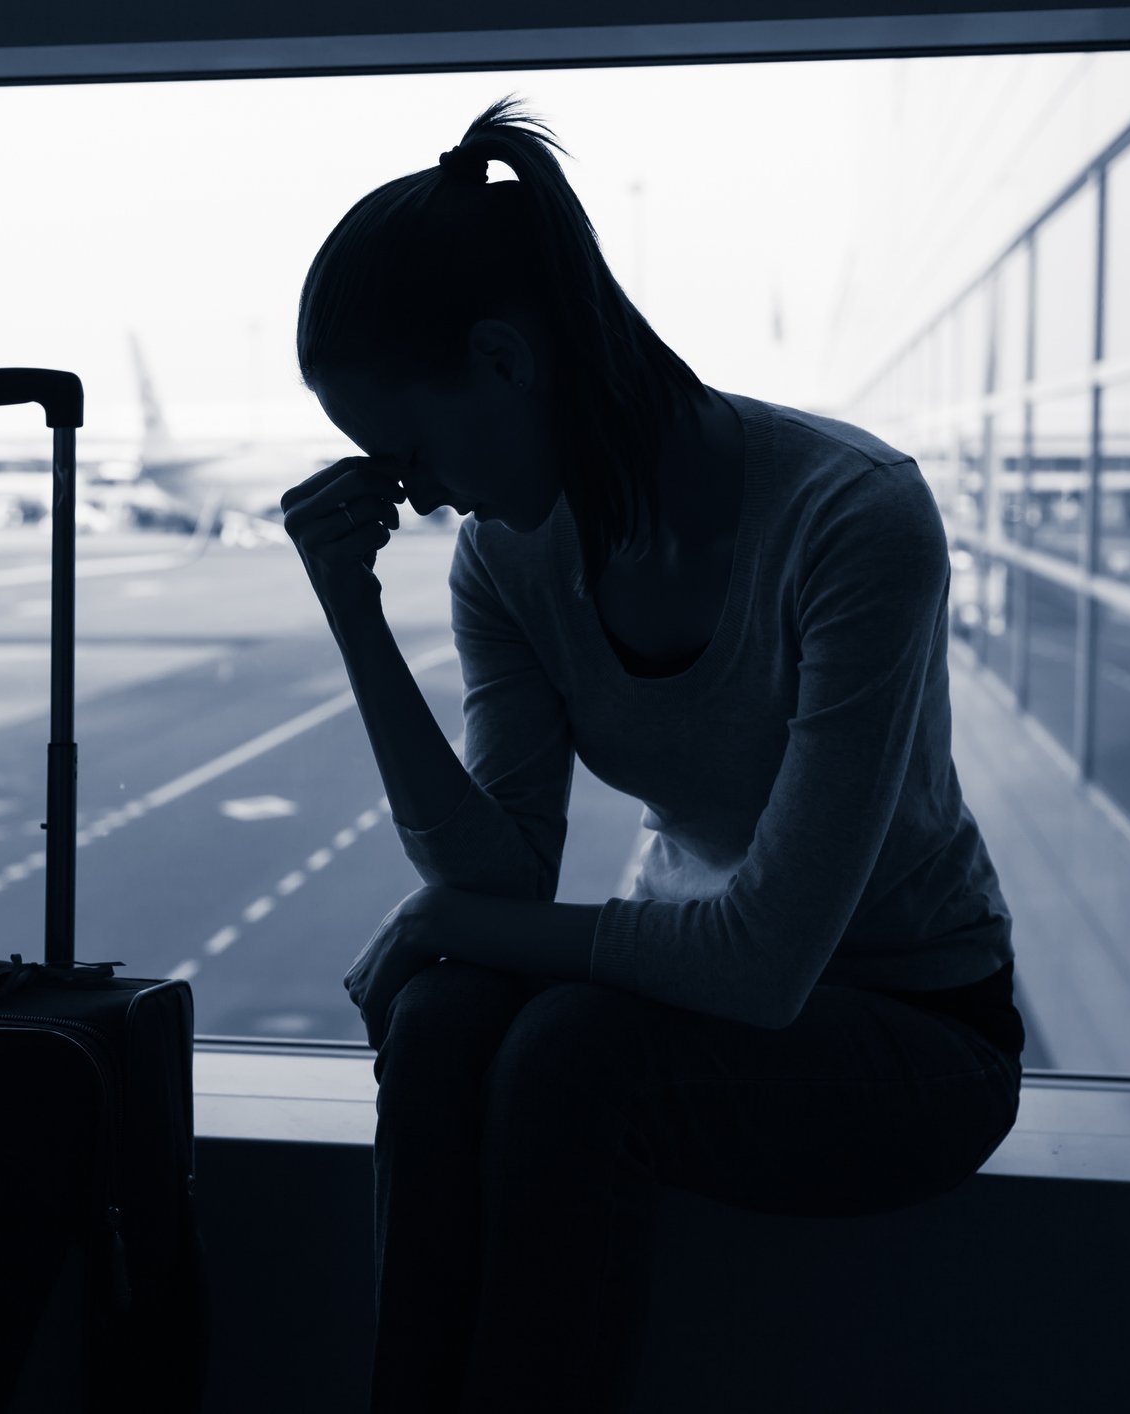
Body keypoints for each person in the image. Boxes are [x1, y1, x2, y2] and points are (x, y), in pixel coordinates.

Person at [281, 94, 1025, 1414]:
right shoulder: (504, 557)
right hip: (679, 1002)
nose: (425, 495)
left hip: (918, 1035)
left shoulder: (850, 519)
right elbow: (501, 881)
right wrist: (351, 609)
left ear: (504, 360)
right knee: (445, 1010)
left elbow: (759, 963)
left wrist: (447, 915)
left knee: (569, 1048)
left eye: (407, 454)